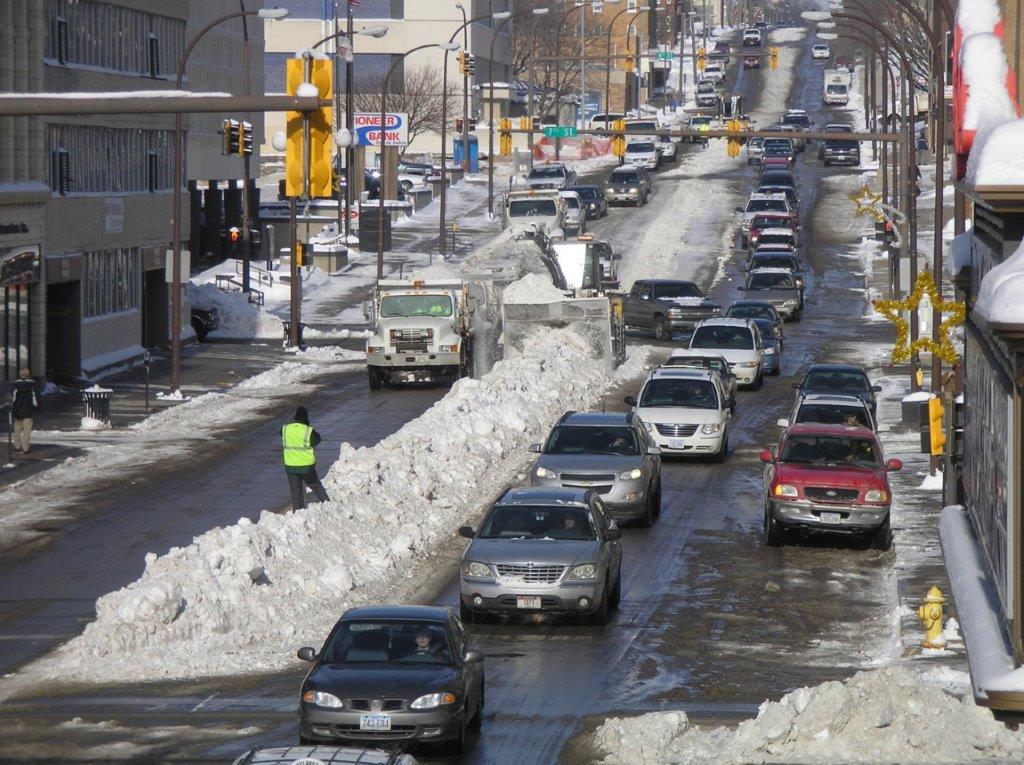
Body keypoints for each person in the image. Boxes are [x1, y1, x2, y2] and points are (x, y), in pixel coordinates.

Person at [282, 406, 330, 511]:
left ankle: (298, 513)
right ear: (306, 418)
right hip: (306, 466)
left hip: (291, 466)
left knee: (296, 490)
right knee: (315, 485)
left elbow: (282, 434)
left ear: (295, 417)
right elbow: (317, 440)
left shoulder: (285, 428)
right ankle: (328, 505)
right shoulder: (308, 430)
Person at [11, 368, 38, 454]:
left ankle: (17, 445)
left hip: (17, 409)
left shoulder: (15, 384)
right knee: (27, 429)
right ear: (28, 374)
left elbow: (13, 398)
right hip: (28, 409)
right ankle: (25, 447)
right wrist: (36, 407)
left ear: (20, 374)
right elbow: (35, 398)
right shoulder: (33, 384)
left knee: (17, 428)